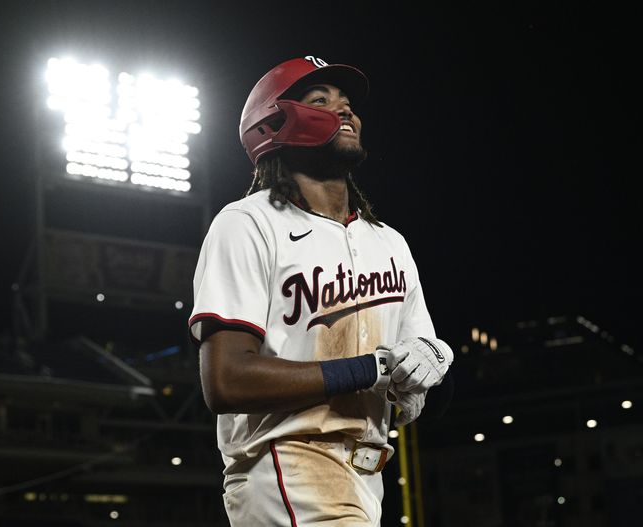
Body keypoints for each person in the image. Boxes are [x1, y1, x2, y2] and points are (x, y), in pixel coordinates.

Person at [189, 55, 454, 526]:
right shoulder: (248, 223)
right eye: (321, 100)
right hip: (284, 461)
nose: (345, 110)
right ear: (274, 122)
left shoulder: (388, 242)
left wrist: (428, 367)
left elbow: (409, 379)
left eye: (348, 103)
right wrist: (370, 367)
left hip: (367, 475)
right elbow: (226, 381)